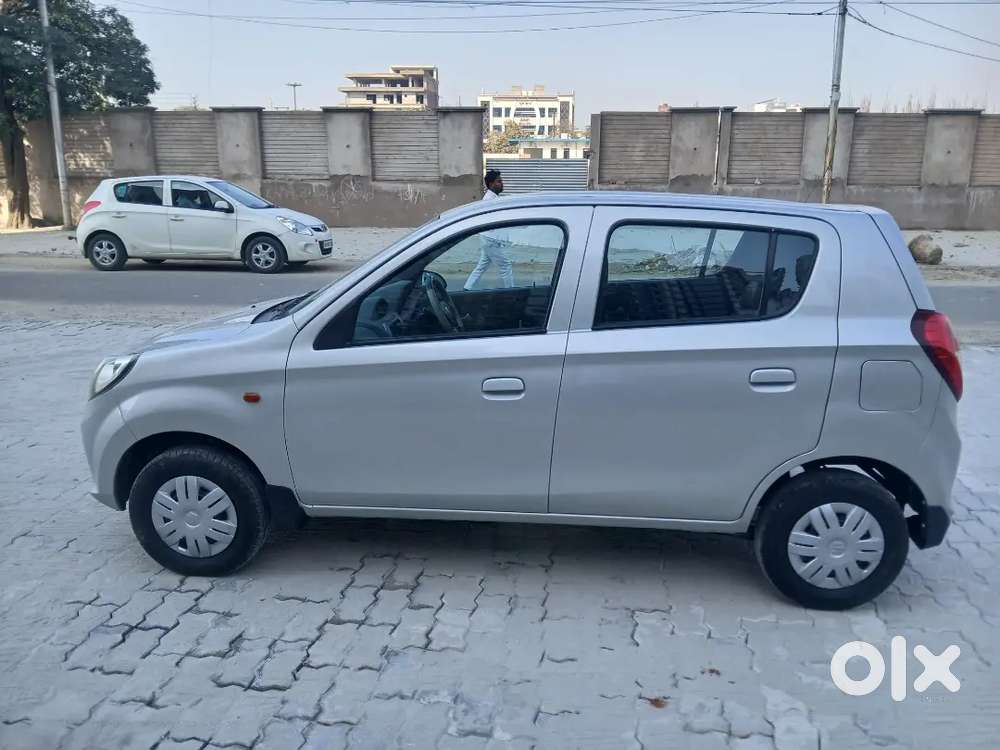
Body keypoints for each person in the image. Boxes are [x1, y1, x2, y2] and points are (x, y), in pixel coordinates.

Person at [464, 170, 514, 290]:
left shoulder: (494, 198)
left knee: (481, 266)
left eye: (501, 181)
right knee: (505, 266)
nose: (502, 184)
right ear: (491, 184)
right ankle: (512, 292)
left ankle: (467, 288)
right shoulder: (490, 201)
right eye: (499, 181)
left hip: (489, 239)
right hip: (491, 240)